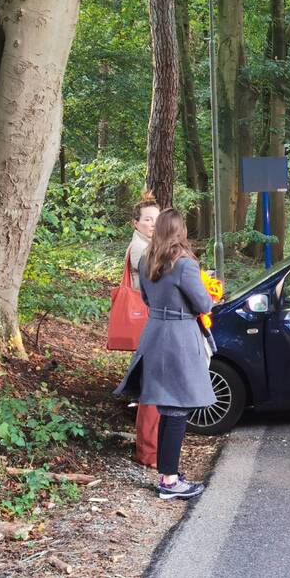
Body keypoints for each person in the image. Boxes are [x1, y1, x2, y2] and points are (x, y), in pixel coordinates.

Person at [114, 209, 217, 500]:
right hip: (179, 338)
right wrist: (210, 294)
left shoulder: (148, 259)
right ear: (180, 231)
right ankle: (170, 481)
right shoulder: (183, 264)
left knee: (167, 407)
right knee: (177, 409)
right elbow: (202, 303)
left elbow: (145, 298)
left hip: (155, 334)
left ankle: (166, 473)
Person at [128, 191, 161, 469]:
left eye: (157, 220)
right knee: (152, 389)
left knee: (151, 389)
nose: (153, 224)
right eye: (148, 220)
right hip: (148, 325)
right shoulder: (142, 250)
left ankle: (150, 450)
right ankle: (149, 452)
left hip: (149, 325)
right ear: (136, 223)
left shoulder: (149, 246)